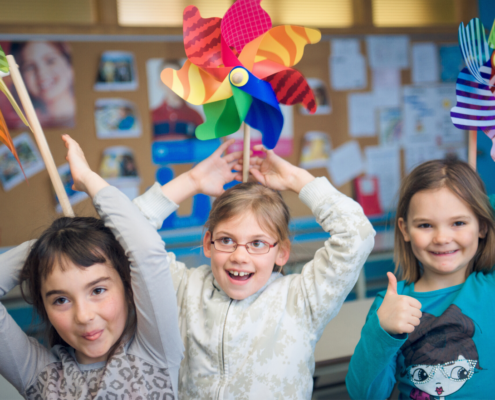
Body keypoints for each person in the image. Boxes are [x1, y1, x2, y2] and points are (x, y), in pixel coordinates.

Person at [131, 141, 376, 399]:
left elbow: (357, 234)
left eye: (257, 243)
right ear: (207, 243)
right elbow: (123, 234)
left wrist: (296, 178)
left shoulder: (301, 299)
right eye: (226, 240)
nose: (239, 256)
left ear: (281, 252)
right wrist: (192, 181)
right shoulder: (183, 288)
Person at [0, 135, 183, 399]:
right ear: (44, 307)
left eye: (97, 290)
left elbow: (147, 251)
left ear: (128, 287)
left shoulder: (155, 352)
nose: (83, 316)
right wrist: (49, 247)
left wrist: (87, 178)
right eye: (61, 299)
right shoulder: (39, 374)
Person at [346, 159, 495, 400]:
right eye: (425, 225)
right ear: (405, 229)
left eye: (458, 222)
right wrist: (381, 331)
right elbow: (364, 395)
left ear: (483, 226)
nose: (442, 237)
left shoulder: (490, 286)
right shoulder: (393, 303)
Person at [10, 41, 75, 128]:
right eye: (30, 67)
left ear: (68, 65)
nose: (41, 73)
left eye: (50, 61)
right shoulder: (24, 128)